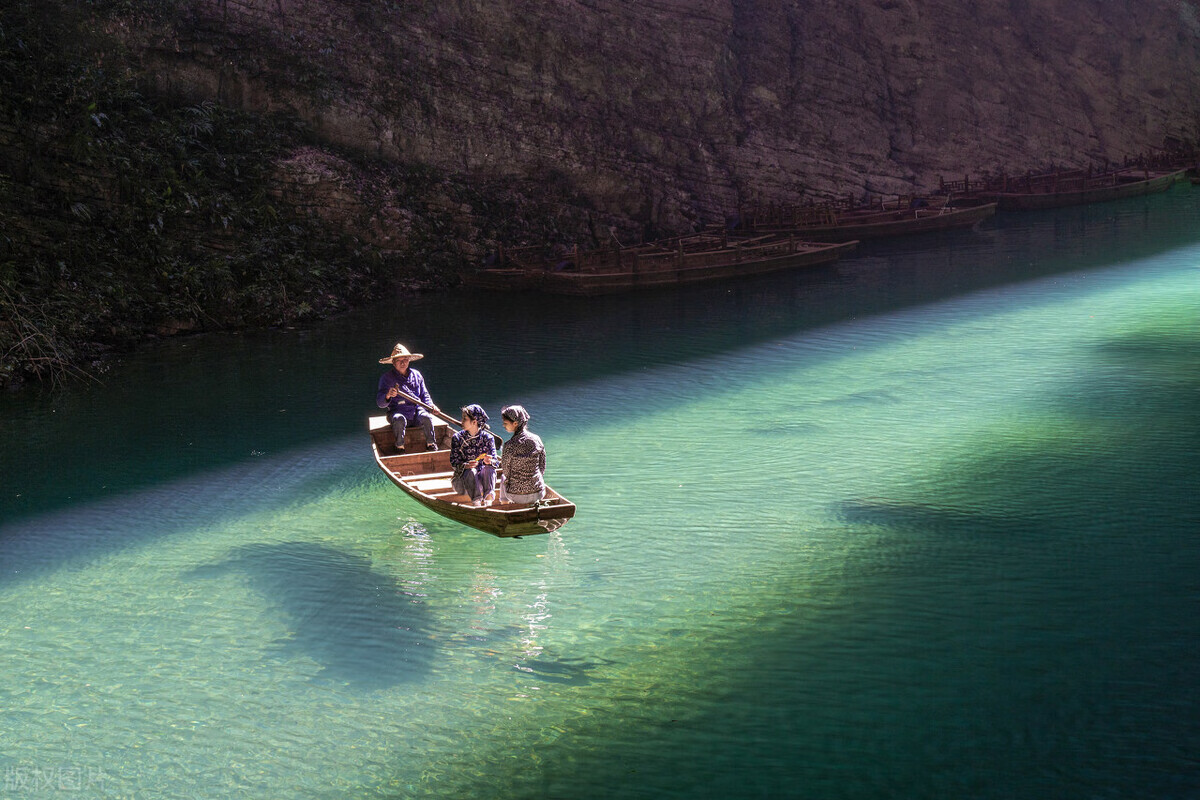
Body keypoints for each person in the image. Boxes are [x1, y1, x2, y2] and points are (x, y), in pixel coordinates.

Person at [375, 343, 440, 452]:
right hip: (397, 411)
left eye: (405, 359)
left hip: (416, 411)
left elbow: (425, 394)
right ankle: (399, 447)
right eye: (399, 361)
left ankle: (431, 444)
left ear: (409, 360)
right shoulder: (386, 378)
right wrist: (388, 395)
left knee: (427, 417)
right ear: (394, 363)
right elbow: (380, 403)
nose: (403, 363)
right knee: (399, 419)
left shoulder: (417, 374)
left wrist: (431, 406)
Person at [450, 404, 498, 507]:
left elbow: (496, 462)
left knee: (489, 468)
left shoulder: (488, 438)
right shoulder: (457, 438)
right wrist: (466, 465)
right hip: (464, 482)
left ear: (474, 422)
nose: (462, 421)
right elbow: (454, 462)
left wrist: (489, 461)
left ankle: (488, 502)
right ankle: (477, 504)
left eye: (464, 419)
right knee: (471, 471)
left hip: (483, 481)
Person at [498, 404, 546, 505]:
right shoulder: (537, 439)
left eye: (505, 423)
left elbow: (506, 471)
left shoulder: (509, 445)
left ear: (515, 423)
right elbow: (542, 465)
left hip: (517, 495)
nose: (503, 425)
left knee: (503, 477)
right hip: (539, 492)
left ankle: (505, 506)